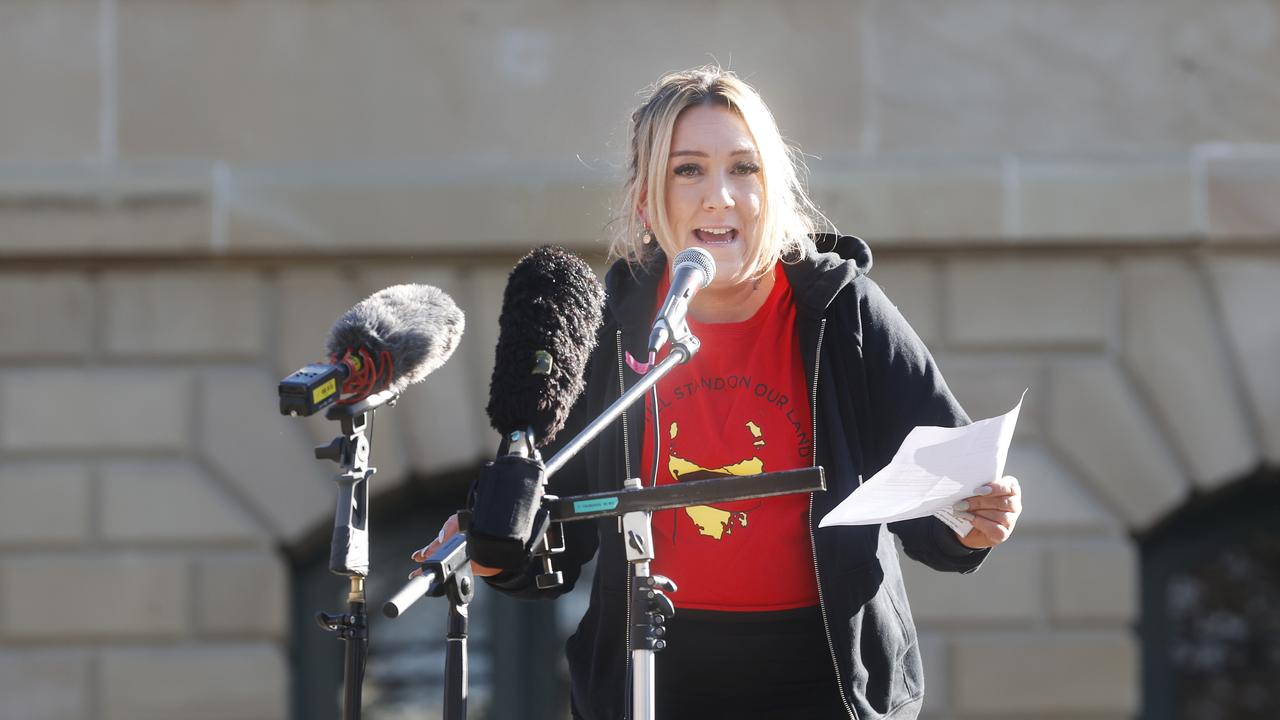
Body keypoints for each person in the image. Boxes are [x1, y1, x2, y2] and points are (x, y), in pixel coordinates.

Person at [413, 66, 1023, 720]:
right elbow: (561, 536)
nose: (720, 196)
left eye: (744, 169)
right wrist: (497, 550)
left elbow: (943, 501)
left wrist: (977, 519)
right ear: (646, 200)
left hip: (825, 680)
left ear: (775, 192)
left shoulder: (842, 310)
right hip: (656, 675)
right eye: (688, 171)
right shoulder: (611, 324)